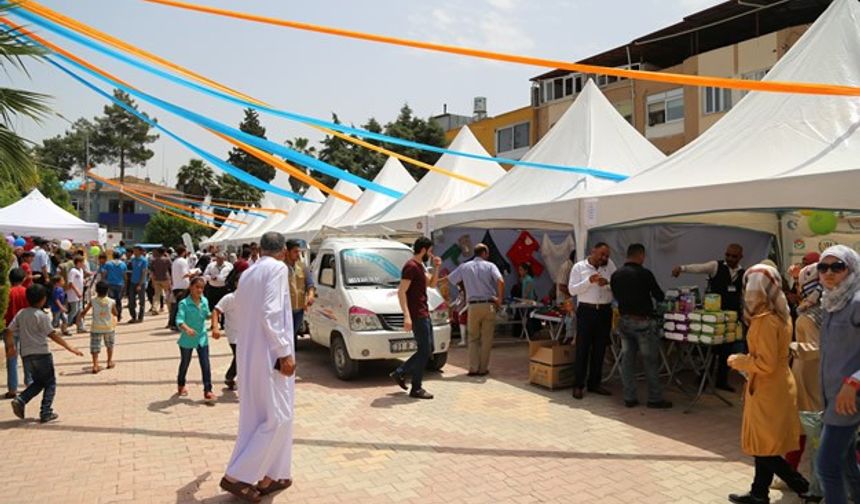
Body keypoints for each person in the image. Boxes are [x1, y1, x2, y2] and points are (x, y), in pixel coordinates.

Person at [220, 232, 295, 502]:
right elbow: (271, 311)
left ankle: (272, 475)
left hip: (251, 353)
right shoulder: (276, 269)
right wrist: (283, 351)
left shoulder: (249, 273)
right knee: (278, 417)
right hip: (269, 356)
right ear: (283, 250)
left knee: (259, 418)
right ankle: (237, 477)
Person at [726, 263, 810, 504]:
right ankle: (759, 492)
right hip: (777, 384)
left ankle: (800, 484)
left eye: (754, 287)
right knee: (764, 444)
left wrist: (739, 361)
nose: (752, 293)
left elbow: (765, 364)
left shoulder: (764, 320)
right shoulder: (782, 313)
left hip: (768, 386)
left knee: (762, 446)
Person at [815, 245, 860, 504]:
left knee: (826, 466)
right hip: (832, 396)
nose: (828, 273)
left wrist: (854, 381)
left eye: (837, 267)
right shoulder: (832, 301)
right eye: (823, 267)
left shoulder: (856, 301)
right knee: (844, 462)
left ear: (851, 269)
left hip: (848, 398)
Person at [672, 243, 746, 392]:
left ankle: (721, 381)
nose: (730, 258)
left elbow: (743, 296)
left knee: (726, 350)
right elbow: (698, 268)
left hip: (730, 318)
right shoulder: (715, 266)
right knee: (709, 349)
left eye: (734, 256)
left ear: (740, 257)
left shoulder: (743, 273)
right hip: (713, 317)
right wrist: (682, 268)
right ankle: (702, 379)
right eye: (728, 255)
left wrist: (744, 315)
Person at [6, 284, 84, 423]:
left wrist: (11, 347)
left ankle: (21, 400)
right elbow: (52, 335)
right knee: (50, 383)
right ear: (43, 299)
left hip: (26, 355)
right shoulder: (42, 316)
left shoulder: (21, 313)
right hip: (42, 354)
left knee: (39, 382)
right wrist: (70, 347)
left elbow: (9, 330)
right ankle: (46, 411)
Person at [611, 244, 671, 409]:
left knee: (627, 360)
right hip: (643, 322)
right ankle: (654, 398)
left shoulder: (616, 275)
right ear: (641, 256)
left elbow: (615, 296)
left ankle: (629, 397)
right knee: (650, 361)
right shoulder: (645, 274)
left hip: (624, 321)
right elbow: (659, 296)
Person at [390, 237, 441, 399]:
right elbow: (401, 292)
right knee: (424, 351)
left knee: (428, 349)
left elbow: (432, 284)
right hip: (417, 315)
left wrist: (437, 268)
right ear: (424, 250)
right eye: (430, 251)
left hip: (424, 313)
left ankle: (401, 372)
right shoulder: (411, 267)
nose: (431, 254)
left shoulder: (420, 266)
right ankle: (415, 387)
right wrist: (407, 316)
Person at [443, 243, 503, 378]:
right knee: (486, 339)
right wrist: (499, 298)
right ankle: (483, 369)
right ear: (485, 253)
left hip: (473, 306)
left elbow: (451, 279)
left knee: (473, 338)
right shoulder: (490, 266)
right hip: (489, 304)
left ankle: (473, 368)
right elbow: (500, 281)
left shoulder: (465, 266)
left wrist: (465, 287)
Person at [568, 242, 616, 400]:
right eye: (602, 254)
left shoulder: (610, 266)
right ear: (593, 251)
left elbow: (617, 285)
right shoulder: (579, 267)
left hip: (604, 311)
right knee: (583, 348)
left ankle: (595, 383)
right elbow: (572, 290)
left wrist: (607, 284)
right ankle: (578, 385)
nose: (604, 258)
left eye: (607, 255)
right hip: (586, 311)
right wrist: (589, 281)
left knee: (600, 348)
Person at [175, 276, 213, 401]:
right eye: (197, 287)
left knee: (205, 364)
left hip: (202, 338)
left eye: (202, 288)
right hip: (187, 339)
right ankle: (181, 384)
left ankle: (208, 390)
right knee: (185, 363)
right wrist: (187, 329)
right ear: (191, 287)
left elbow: (207, 315)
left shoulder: (204, 301)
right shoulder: (184, 304)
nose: (199, 290)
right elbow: (179, 320)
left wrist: (213, 315)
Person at [77, 281, 118, 373]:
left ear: (96, 290)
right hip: (108, 327)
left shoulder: (93, 300)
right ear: (107, 290)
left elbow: (84, 311)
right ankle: (109, 362)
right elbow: (115, 313)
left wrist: (80, 318)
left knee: (95, 347)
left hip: (95, 327)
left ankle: (95, 365)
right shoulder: (111, 301)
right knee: (110, 345)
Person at [212, 272, 241, 391]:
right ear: (236, 283)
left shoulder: (253, 298)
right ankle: (231, 377)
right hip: (233, 334)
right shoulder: (229, 298)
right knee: (240, 356)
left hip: (248, 334)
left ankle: (230, 376)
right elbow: (216, 311)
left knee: (243, 357)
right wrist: (215, 327)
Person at [4, 268, 29, 398]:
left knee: (11, 359)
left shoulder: (6, 293)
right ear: (23, 279)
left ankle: (12, 389)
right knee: (27, 356)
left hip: (9, 329)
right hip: (25, 328)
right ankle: (29, 383)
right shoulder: (26, 292)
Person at [285, 240, 314, 339]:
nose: (298, 254)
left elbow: (310, 284)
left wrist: (310, 295)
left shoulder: (302, 267)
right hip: (285, 310)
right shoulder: (280, 267)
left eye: (299, 252)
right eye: (295, 252)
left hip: (299, 309)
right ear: (287, 252)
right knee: (287, 337)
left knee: (291, 336)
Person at [556, 249, 577, 344]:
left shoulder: (572, 266)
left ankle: (570, 337)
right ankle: (570, 337)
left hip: (569, 299)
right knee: (572, 317)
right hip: (564, 300)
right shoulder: (567, 267)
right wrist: (574, 297)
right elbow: (561, 287)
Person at [169, 246, 192, 332]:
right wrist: (193, 273)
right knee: (182, 307)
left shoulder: (175, 261)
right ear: (184, 252)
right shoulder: (183, 261)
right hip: (183, 286)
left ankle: (173, 323)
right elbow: (185, 274)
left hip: (176, 286)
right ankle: (178, 324)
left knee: (177, 306)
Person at [100, 252, 127, 324]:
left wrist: (102, 282)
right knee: (118, 301)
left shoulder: (108, 264)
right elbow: (125, 276)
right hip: (120, 284)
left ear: (112, 256)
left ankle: (111, 316)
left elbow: (104, 274)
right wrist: (125, 285)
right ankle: (118, 316)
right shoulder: (123, 264)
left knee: (111, 301)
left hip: (110, 284)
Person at [127, 246, 148, 323]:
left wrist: (140, 284)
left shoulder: (143, 261)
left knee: (141, 301)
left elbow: (144, 273)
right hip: (132, 282)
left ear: (140, 251)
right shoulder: (132, 260)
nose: (134, 252)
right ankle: (133, 316)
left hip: (141, 283)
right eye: (134, 251)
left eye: (136, 251)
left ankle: (140, 317)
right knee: (131, 300)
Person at [149, 247, 172, 316]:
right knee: (168, 294)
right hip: (165, 278)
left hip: (156, 279)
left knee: (156, 295)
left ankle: (154, 309)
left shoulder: (154, 260)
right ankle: (170, 308)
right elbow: (171, 269)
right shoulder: (167, 260)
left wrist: (152, 280)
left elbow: (152, 271)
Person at [66, 256, 86, 334]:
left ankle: (80, 327)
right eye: (82, 262)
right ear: (78, 263)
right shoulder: (73, 271)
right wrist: (77, 291)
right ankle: (66, 324)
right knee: (74, 310)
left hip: (80, 293)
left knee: (80, 310)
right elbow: (70, 283)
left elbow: (80, 280)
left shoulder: (80, 270)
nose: (83, 264)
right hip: (73, 294)